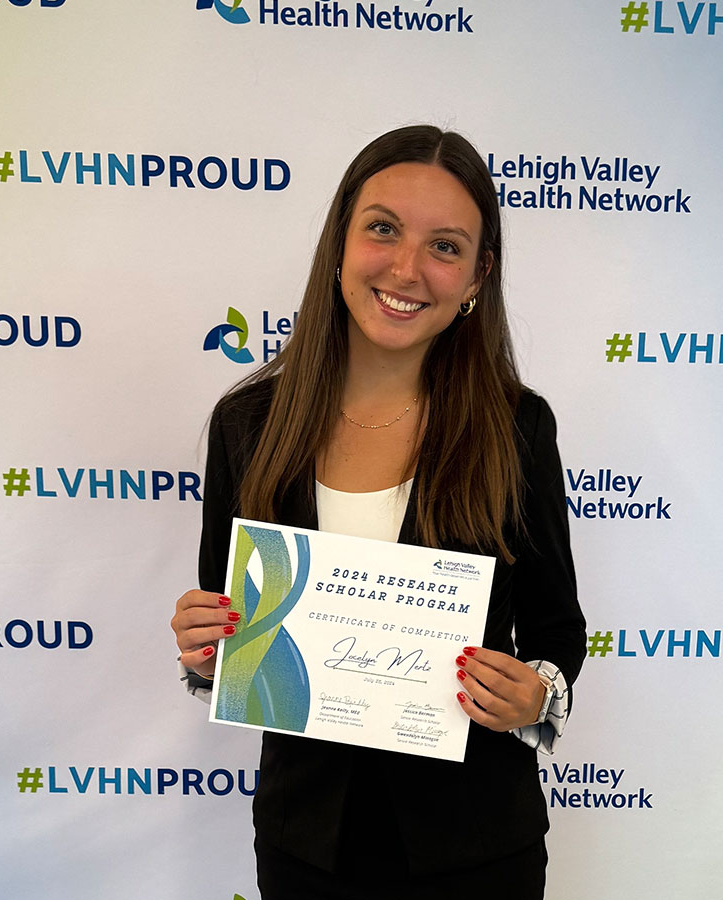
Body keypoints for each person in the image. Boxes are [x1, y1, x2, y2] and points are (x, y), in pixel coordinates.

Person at [171, 124, 586, 899]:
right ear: (340, 243)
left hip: (475, 845)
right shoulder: (249, 425)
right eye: (384, 229)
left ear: (475, 278)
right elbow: (231, 625)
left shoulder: (516, 427)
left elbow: (558, 627)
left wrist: (537, 692)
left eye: (445, 246)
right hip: (308, 846)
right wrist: (207, 649)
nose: (406, 268)